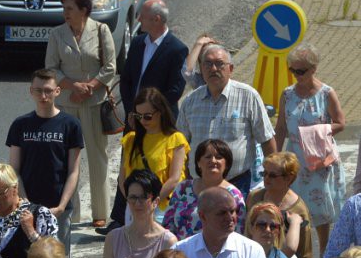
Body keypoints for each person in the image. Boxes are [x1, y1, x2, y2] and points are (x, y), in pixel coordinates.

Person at [45, 0, 116, 228]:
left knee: (97, 157)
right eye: (63, 8)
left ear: (84, 10)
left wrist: (90, 86)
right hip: (66, 104)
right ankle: (71, 211)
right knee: (68, 159)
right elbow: (51, 68)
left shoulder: (101, 30)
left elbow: (110, 67)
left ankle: (100, 212)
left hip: (95, 102)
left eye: (70, 8)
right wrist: (73, 86)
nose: (65, 12)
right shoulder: (56, 34)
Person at [274, 43, 347, 257]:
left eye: (301, 71)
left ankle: (325, 253)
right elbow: (280, 128)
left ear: (314, 68)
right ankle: (300, 253)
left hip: (318, 160)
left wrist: (318, 131)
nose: (297, 75)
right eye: (293, 70)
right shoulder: (287, 95)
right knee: (294, 207)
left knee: (321, 210)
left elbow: (341, 122)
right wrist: (275, 157)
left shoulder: (326, 93)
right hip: (295, 160)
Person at [176, 43, 277, 196]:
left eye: (219, 64)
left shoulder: (248, 96)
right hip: (198, 185)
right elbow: (180, 145)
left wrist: (274, 178)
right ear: (201, 69)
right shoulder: (190, 101)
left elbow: (267, 139)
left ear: (230, 69)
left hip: (237, 183)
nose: (213, 69)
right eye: (208, 64)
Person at [8, 68, 84, 258]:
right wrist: (23, 201)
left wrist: (61, 206)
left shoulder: (70, 125)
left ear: (57, 91)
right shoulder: (20, 124)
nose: (43, 95)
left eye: (48, 90)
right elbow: (14, 169)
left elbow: (74, 170)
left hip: (58, 208)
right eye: (38, 90)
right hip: (27, 207)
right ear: (30, 91)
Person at [113, 88, 188, 224]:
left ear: (160, 112)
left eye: (147, 116)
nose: (142, 120)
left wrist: (151, 202)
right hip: (134, 208)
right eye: (138, 116)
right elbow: (122, 179)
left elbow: (174, 179)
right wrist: (133, 202)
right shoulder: (130, 140)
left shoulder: (175, 139)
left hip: (161, 209)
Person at [247, 152, 315, 258]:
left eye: (272, 175)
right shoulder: (254, 197)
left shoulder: (299, 209)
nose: (266, 178)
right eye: (264, 173)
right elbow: (247, 233)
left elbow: (305, 252)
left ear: (289, 178)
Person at [118, 0, 188, 122]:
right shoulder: (137, 43)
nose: (138, 19)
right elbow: (126, 80)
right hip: (134, 120)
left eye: (142, 16)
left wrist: (147, 114)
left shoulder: (177, 49)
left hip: (160, 121)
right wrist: (131, 111)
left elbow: (174, 91)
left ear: (156, 19)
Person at [162, 138, 247, 239]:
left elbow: (238, 232)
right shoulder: (183, 188)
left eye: (219, 157)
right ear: (198, 163)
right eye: (208, 157)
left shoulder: (234, 195)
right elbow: (168, 224)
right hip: (181, 251)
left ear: (227, 164)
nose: (213, 160)